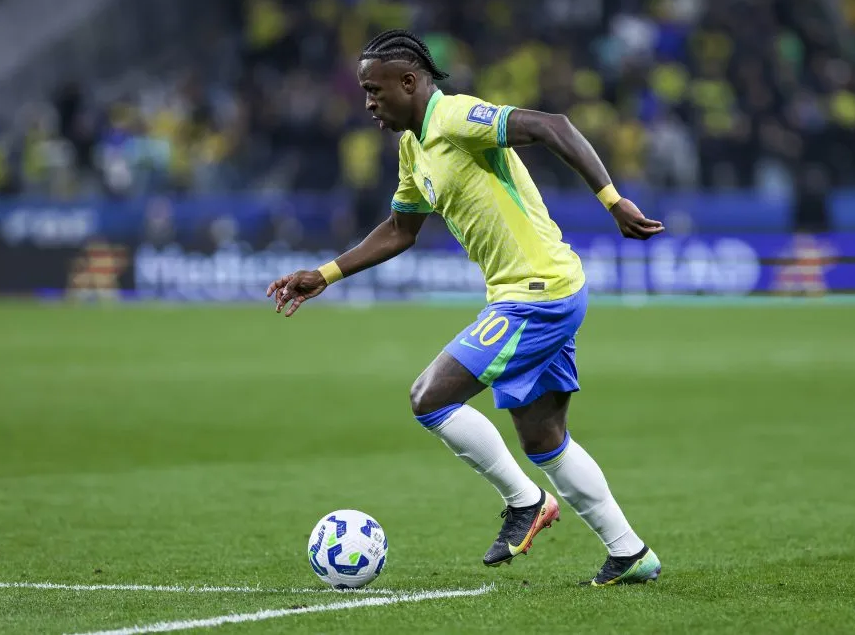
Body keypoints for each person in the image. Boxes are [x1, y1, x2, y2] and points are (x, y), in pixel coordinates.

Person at [266, 30, 665, 586]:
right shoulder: (413, 145)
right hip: (533, 291)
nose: (367, 103)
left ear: (410, 82)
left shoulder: (456, 117)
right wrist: (326, 274)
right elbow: (401, 229)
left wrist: (613, 202)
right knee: (543, 438)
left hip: (538, 294)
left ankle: (525, 503)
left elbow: (555, 126)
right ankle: (630, 553)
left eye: (374, 90)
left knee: (429, 398)